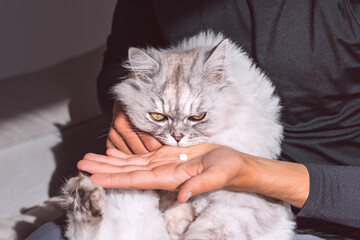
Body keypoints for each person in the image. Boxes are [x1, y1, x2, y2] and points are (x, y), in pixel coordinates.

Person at [27, 0, 360, 239]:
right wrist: (126, 111)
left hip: (330, 208)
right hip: (170, 184)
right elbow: (120, 60)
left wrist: (250, 172)